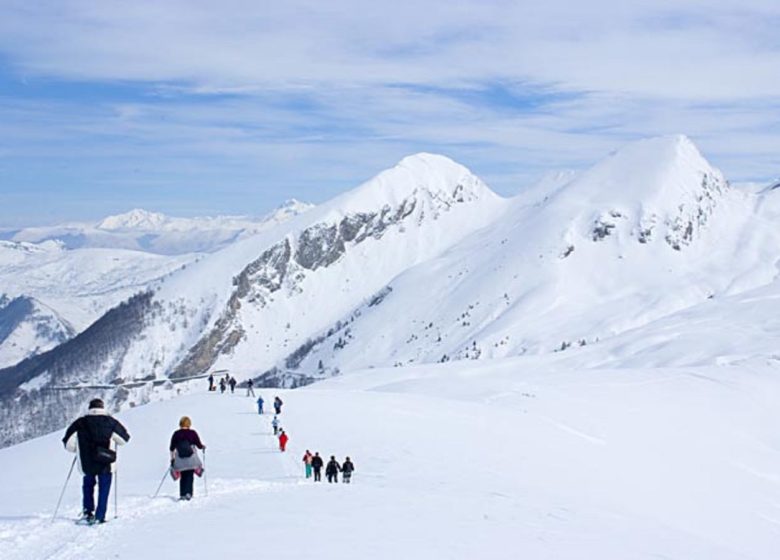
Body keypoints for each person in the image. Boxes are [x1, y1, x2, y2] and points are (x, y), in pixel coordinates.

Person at [62, 398, 131, 525]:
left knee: (88, 486)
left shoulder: (80, 423)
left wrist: (78, 449)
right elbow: (124, 439)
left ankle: (87, 512)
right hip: (105, 462)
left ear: (90, 408)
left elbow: (67, 444)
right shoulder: (111, 422)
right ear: (103, 408)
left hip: (87, 462)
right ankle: (100, 515)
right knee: (104, 488)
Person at [169, 416, 206, 501]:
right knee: (190, 476)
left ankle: (182, 494)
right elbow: (199, 445)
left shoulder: (176, 434)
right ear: (189, 424)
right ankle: (188, 493)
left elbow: (171, 448)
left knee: (183, 476)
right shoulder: (192, 433)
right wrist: (203, 447)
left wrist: (172, 459)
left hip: (180, 460)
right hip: (191, 459)